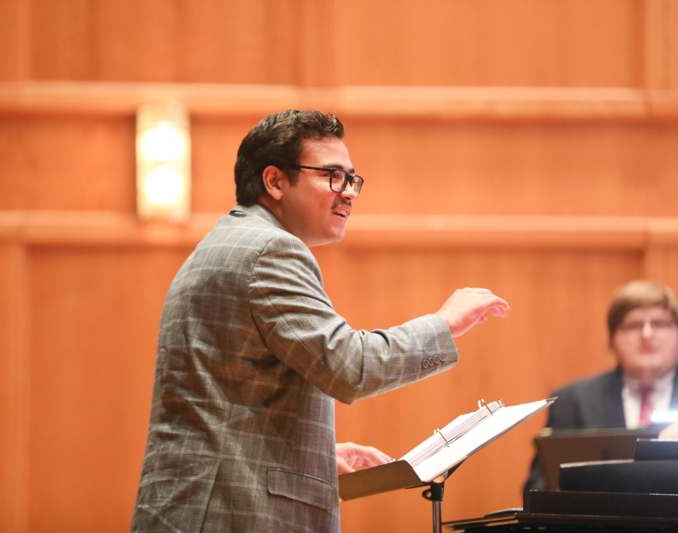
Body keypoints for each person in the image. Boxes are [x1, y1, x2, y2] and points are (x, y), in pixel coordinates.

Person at [131, 109, 510, 532]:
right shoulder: (268, 249)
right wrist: (445, 324)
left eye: (351, 179)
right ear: (275, 181)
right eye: (332, 176)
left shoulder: (232, 242)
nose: (348, 192)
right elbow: (350, 366)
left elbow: (225, 398)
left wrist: (311, 455)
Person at [524, 280, 678, 492]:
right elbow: (539, 488)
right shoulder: (572, 401)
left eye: (659, 324)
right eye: (633, 325)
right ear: (612, 339)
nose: (647, 335)